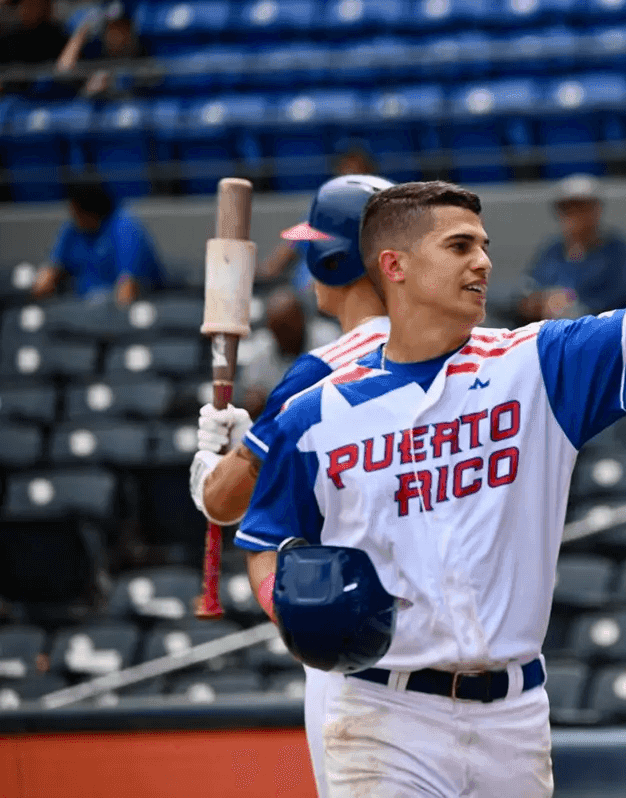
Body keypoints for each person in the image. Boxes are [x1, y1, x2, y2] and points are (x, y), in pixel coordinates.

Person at [235, 112, 626, 797]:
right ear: (394, 266)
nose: (483, 262)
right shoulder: (316, 412)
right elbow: (262, 539)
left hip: (515, 717)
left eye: (484, 245)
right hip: (383, 713)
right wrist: (287, 606)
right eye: (459, 246)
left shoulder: (535, 362)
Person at [188, 173, 394, 798]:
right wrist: (254, 441)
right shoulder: (461, 353)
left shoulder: (317, 372)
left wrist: (215, 461)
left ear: (333, 260)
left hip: (356, 661)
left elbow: (224, 502)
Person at [516, 173, 626, 323]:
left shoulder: (616, 249)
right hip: (554, 329)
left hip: (602, 328)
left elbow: (623, 294)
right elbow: (530, 286)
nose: (574, 215)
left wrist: (574, 304)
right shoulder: (552, 250)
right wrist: (541, 300)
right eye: (566, 209)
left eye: (581, 208)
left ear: (596, 210)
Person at [258, 146, 381, 290]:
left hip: (344, 290)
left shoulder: (376, 216)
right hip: (303, 292)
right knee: (279, 301)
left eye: (357, 174)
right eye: (345, 174)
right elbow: (282, 255)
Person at [31, 179, 163, 304]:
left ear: (90, 211)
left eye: (75, 211)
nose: (72, 215)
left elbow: (127, 290)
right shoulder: (71, 229)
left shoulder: (125, 227)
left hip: (119, 310)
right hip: (81, 306)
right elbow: (48, 274)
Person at [236, 286, 337, 418]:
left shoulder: (328, 339)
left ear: (301, 318)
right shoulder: (261, 348)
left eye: (286, 326)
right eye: (276, 328)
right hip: (282, 422)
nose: (282, 334)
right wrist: (254, 401)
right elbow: (251, 394)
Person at [0, 0, 67, 66]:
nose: (27, 10)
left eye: (34, 5)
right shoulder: (9, 38)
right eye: (26, 5)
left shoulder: (58, 38)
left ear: (47, 6)